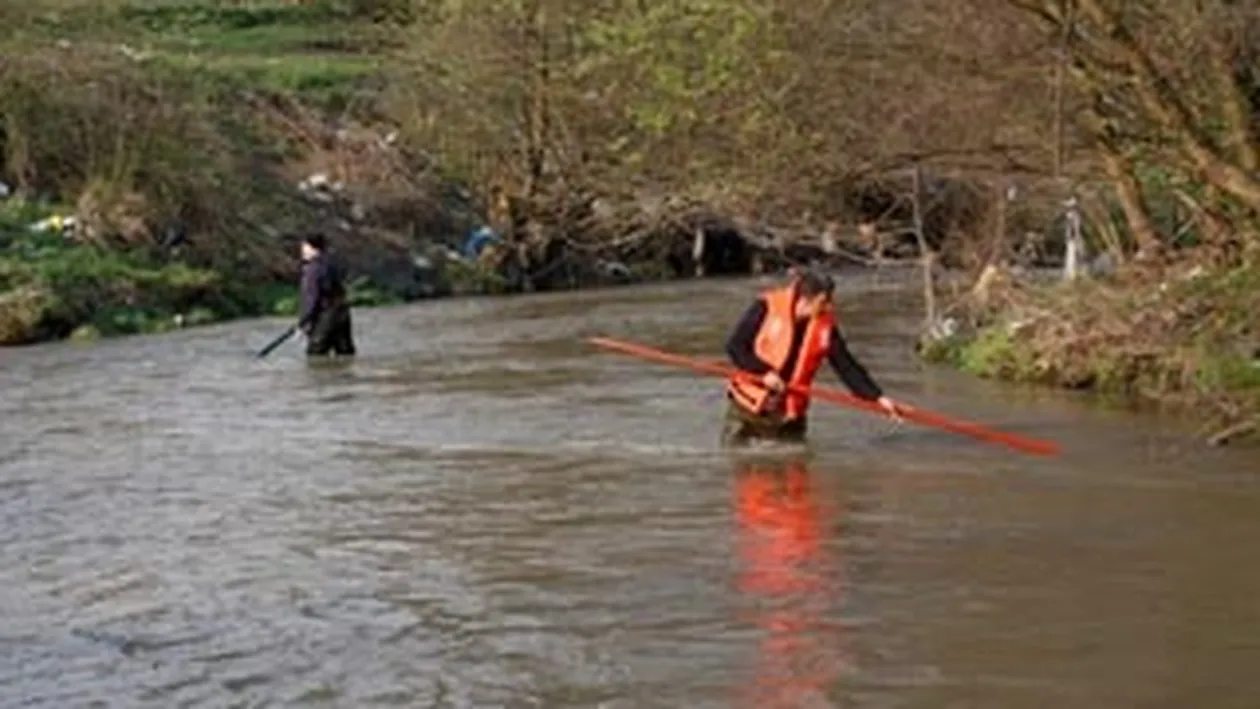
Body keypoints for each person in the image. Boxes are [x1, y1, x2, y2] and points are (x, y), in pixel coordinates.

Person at [722, 268, 899, 446]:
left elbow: (845, 365)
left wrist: (877, 397)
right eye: (823, 301)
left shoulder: (825, 325)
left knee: (794, 468)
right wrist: (764, 372)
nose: (829, 307)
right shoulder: (765, 307)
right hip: (748, 411)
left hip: (790, 415)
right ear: (805, 300)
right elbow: (735, 347)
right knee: (742, 466)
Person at [297, 232, 356, 357]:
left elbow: (311, 297)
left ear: (313, 248)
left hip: (326, 316)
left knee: (315, 356)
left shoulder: (313, 269)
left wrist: (303, 321)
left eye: (305, 247)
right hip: (342, 313)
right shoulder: (332, 263)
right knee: (345, 353)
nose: (302, 250)